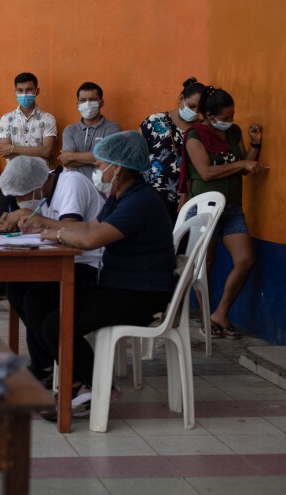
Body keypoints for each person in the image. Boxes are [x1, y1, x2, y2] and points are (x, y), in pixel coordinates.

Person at [22, 131, 175, 420]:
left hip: (141, 294)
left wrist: (57, 233)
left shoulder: (140, 201)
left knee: (58, 321)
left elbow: (93, 239)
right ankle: (78, 382)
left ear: (116, 167)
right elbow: (91, 227)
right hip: (119, 283)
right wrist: (47, 229)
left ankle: (97, 387)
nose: (96, 170)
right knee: (40, 300)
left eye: (98, 164)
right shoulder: (121, 196)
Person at [0, 155, 104, 384]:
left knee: (36, 298)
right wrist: (31, 225)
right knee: (16, 287)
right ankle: (45, 360)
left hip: (93, 265)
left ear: (37, 184)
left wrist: (31, 217)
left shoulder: (71, 184)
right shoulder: (45, 194)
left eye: (21, 195)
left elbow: (74, 230)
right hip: (68, 261)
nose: (19, 201)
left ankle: (55, 365)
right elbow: (52, 229)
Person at [182, 87, 266, 340]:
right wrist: (242, 163)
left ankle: (220, 313)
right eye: (226, 117)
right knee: (205, 265)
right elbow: (206, 172)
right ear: (209, 115)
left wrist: (255, 144)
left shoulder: (233, 132)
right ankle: (208, 317)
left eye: (232, 116)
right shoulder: (194, 135)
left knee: (245, 260)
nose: (230, 121)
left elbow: (242, 166)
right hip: (205, 207)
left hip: (231, 206)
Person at [0, 72, 57, 302]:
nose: (25, 94)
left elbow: (47, 151)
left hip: (40, 185)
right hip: (13, 182)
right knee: (7, 228)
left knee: (35, 229)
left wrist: (14, 149)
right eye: (20, 90)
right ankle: (2, 284)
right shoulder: (6, 119)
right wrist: (29, 149)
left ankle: (31, 280)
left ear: (37, 91)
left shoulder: (47, 119)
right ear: (15, 91)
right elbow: (3, 149)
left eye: (29, 90)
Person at [140, 77, 206, 223]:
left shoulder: (202, 129)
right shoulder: (153, 122)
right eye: (191, 106)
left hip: (190, 201)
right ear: (181, 98)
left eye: (199, 110)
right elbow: (135, 156)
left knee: (183, 244)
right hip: (153, 199)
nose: (195, 112)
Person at [57, 82, 121, 180]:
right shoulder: (70, 130)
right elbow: (66, 161)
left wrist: (71, 156)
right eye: (83, 100)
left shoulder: (112, 128)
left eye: (92, 100)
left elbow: (109, 158)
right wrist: (97, 157)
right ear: (77, 104)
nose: (87, 104)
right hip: (75, 186)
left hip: (102, 189)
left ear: (101, 103)